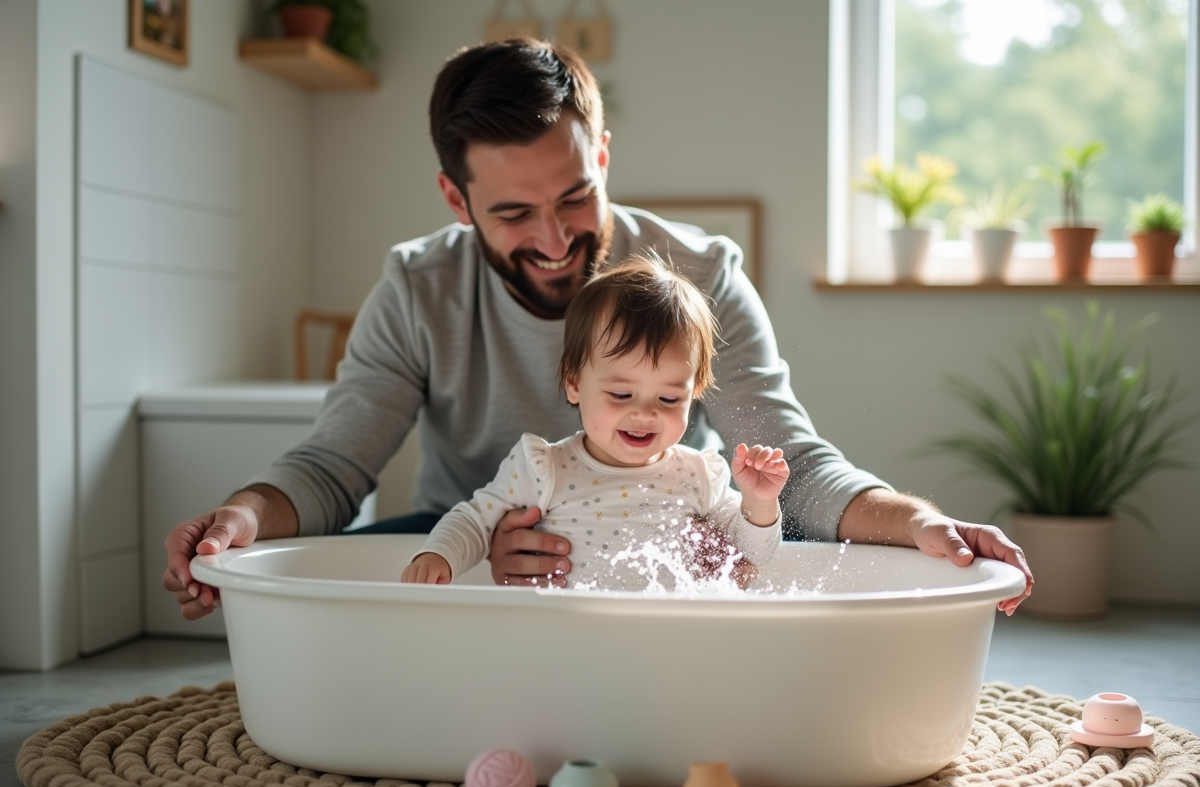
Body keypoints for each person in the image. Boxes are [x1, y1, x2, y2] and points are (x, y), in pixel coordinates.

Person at [163, 38, 1032, 621]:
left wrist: (923, 525)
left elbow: (793, 467)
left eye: (575, 196)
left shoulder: (700, 272)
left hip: (662, 541)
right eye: (512, 213)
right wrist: (239, 520)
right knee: (338, 565)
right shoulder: (418, 285)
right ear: (455, 200)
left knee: (786, 543)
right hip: (474, 531)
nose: (553, 240)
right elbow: (332, 466)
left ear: (604, 156)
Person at [401, 255, 788, 589]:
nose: (644, 414)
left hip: (666, 642)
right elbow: (475, 519)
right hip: (569, 642)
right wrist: (440, 555)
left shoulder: (698, 475)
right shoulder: (544, 469)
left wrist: (759, 501)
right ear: (574, 383)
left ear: (695, 391)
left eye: (669, 398)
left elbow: (754, 553)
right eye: (621, 394)